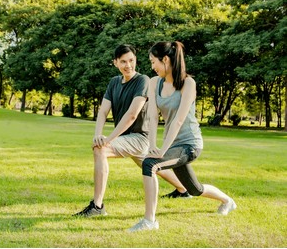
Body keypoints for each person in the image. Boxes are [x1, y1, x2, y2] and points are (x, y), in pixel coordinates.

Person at [128, 41, 237, 231]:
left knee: (149, 164)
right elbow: (153, 116)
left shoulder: (188, 84)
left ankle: (149, 221)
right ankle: (227, 200)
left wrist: (161, 151)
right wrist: (153, 145)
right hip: (173, 146)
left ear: (166, 60)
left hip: (190, 144)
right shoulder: (154, 83)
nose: (152, 67)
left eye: (154, 62)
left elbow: (178, 121)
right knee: (195, 189)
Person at [73, 44, 188, 217]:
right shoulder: (114, 83)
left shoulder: (143, 81)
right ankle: (183, 189)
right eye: (123, 61)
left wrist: (108, 139)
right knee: (155, 167)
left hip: (140, 137)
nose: (128, 65)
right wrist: (98, 133)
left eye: (131, 60)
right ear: (115, 63)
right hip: (129, 138)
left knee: (101, 149)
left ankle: (97, 207)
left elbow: (132, 115)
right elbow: (103, 111)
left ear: (136, 60)